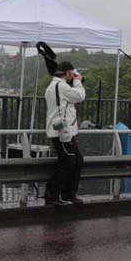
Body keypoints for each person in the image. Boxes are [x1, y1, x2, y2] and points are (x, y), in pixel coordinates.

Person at [44, 61, 85, 206]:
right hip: (62, 133)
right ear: (67, 73)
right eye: (71, 74)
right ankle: (53, 195)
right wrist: (78, 81)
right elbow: (80, 96)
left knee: (77, 161)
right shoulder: (61, 86)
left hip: (64, 131)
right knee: (68, 163)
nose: (72, 77)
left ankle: (68, 194)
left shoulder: (53, 86)